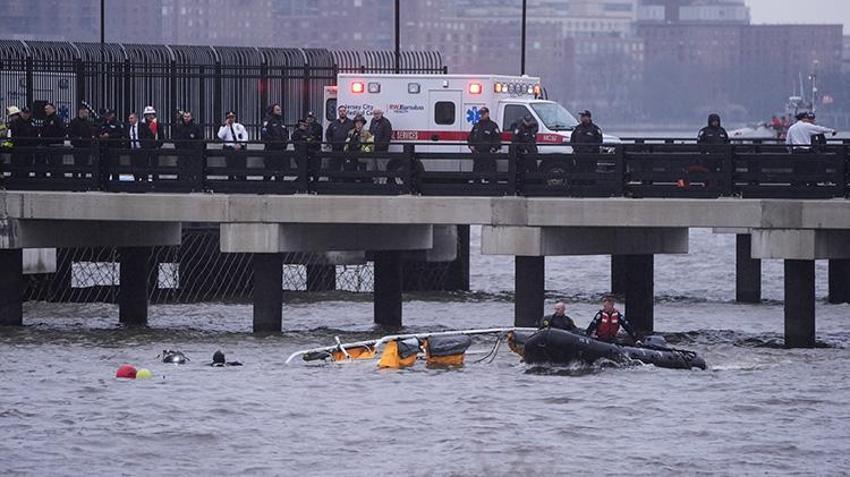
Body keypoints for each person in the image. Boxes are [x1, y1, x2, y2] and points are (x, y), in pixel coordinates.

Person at [467, 106, 501, 175]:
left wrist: (493, 149)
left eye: (483, 113)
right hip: (478, 154)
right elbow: (470, 137)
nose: (482, 115)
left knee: (490, 175)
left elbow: (497, 139)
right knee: (477, 175)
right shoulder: (476, 125)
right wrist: (471, 146)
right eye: (481, 113)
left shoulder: (493, 125)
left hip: (489, 155)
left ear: (487, 114)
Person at [261, 103, 289, 180]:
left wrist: (284, 142)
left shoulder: (281, 121)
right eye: (277, 110)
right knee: (269, 170)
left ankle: (279, 185)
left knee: (280, 171)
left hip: (281, 150)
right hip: (271, 149)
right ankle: (266, 185)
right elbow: (265, 133)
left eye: (280, 110)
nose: (280, 111)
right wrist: (273, 142)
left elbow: (285, 133)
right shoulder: (268, 120)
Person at [217, 111, 249, 180]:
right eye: (229, 117)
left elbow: (245, 136)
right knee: (230, 166)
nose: (231, 119)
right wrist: (227, 126)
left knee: (241, 166)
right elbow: (220, 136)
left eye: (232, 117)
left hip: (239, 148)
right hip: (229, 148)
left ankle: (241, 179)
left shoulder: (239, 126)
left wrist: (241, 144)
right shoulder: (223, 127)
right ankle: (231, 178)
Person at [67, 104, 95, 177]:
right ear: (81, 112)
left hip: (87, 145)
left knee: (85, 163)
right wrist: (77, 138)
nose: (87, 114)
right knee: (77, 162)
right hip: (77, 145)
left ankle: (83, 177)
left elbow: (91, 132)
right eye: (86, 112)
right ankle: (75, 177)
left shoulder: (88, 122)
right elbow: (70, 133)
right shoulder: (74, 122)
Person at [126, 112, 155, 181]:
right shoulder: (128, 127)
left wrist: (146, 145)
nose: (130, 120)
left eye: (131, 118)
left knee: (143, 167)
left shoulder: (143, 126)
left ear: (136, 118)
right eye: (129, 119)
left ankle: (144, 181)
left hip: (142, 150)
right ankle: (136, 180)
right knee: (134, 167)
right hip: (133, 151)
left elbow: (150, 135)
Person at [326, 105, 354, 172]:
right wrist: (330, 143)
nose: (342, 112)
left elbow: (354, 135)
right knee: (335, 167)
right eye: (340, 111)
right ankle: (335, 178)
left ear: (346, 112)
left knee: (347, 168)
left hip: (347, 150)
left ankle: (346, 178)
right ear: (338, 112)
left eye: (344, 111)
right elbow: (328, 134)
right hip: (335, 149)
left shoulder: (351, 123)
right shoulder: (333, 123)